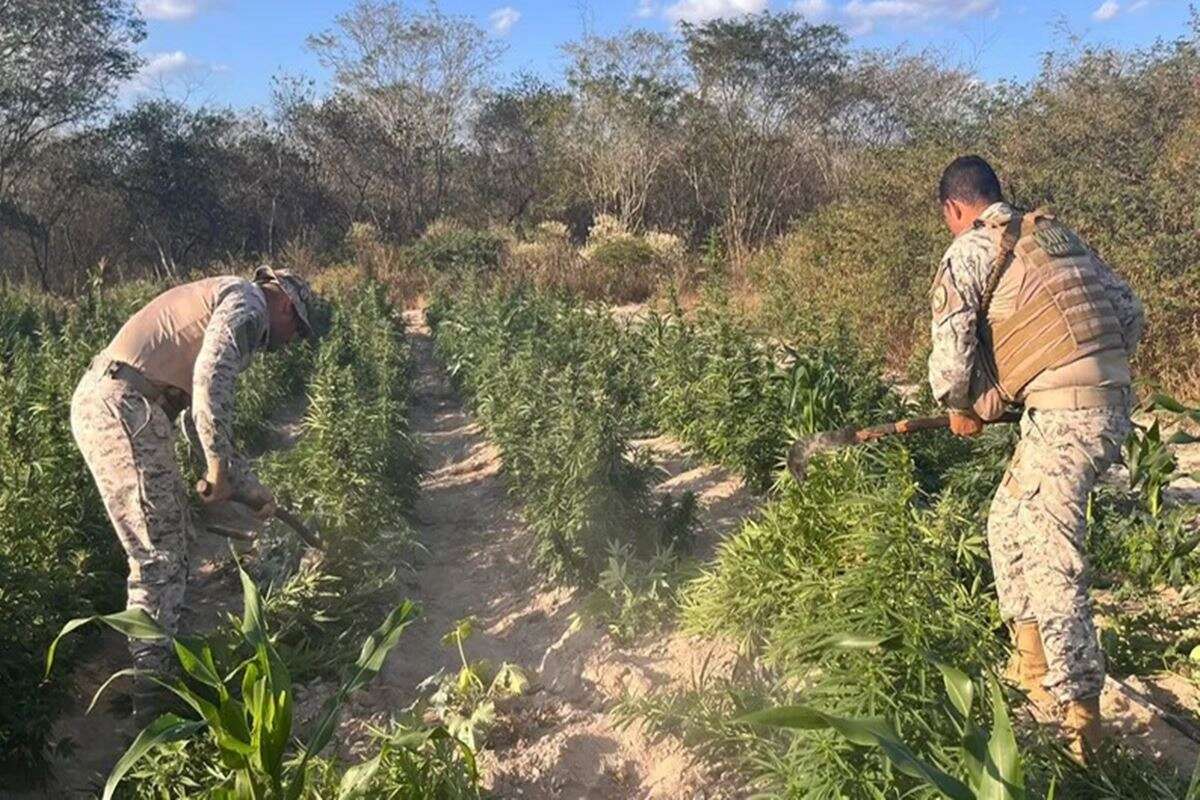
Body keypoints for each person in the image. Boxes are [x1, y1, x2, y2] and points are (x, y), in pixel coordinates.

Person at [928, 156, 1143, 759]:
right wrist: (1040, 380)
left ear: (954, 209)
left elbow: (950, 361)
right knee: (1007, 519)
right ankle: (1029, 667)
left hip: (1068, 414)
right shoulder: (1055, 234)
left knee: (1051, 551)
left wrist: (961, 404)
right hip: (1106, 401)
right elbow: (1131, 313)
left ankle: (1082, 723)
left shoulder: (969, 250)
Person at [70, 266, 314, 719]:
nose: (293, 339)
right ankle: (151, 701)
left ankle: (158, 673)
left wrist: (244, 487)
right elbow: (210, 377)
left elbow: (191, 418)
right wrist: (221, 465)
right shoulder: (250, 304)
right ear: (284, 302)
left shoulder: (229, 298)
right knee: (158, 555)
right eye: (297, 327)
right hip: (123, 408)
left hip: (130, 407)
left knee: (172, 540)